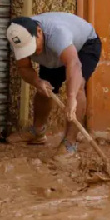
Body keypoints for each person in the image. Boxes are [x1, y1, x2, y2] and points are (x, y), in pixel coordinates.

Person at [6, 12, 101, 154]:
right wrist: (38, 81)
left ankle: (70, 142)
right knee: (43, 90)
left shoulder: (57, 33)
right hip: (54, 54)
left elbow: (73, 64)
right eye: (27, 50)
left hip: (84, 46)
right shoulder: (18, 38)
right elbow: (24, 67)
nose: (33, 53)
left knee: (77, 88)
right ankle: (38, 132)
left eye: (32, 46)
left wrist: (71, 97)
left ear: (39, 32)